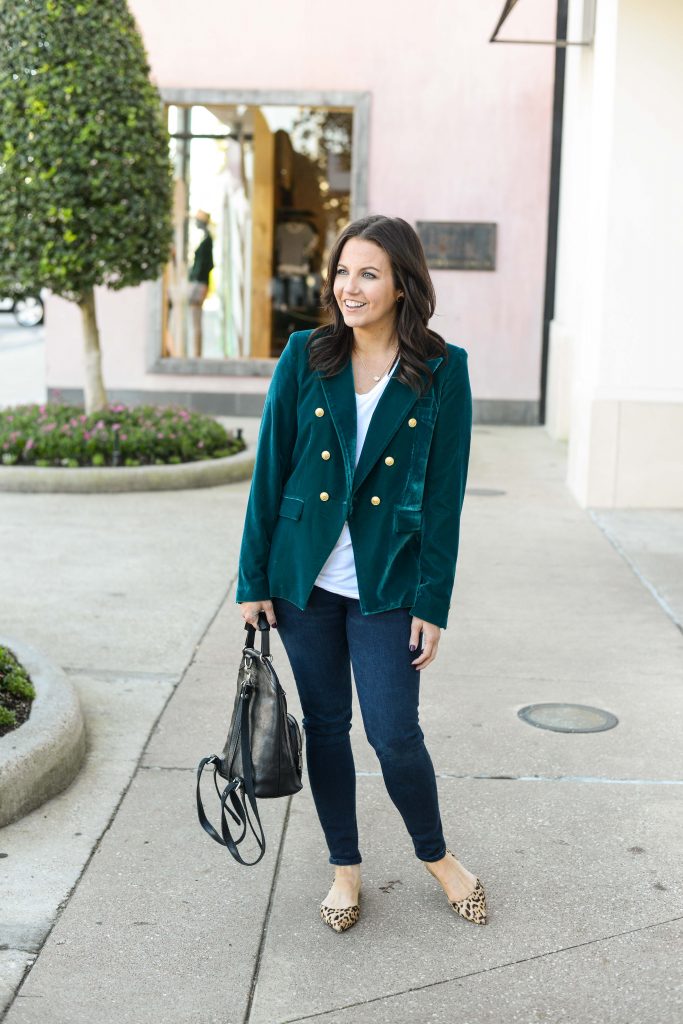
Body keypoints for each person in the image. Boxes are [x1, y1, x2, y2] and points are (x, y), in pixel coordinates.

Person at [236, 214, 486, 932]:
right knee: (324, 726)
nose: (350, 287)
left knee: (393, 734)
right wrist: (252, 578)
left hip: (387, 582)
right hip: (302, 582)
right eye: (342, 272)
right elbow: (269, 471)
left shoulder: (442, 369)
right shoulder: (304, 355)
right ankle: (344, 869)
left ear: (403, 284)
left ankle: (437, 858)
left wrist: (431, 601)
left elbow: (443, 498)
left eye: (368, 273)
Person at [188, 209, 214, 357]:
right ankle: (195, 351)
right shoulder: (206, 239)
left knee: (196, 318)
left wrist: (202, 284)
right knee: (194, 318)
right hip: (198, 282)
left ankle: (196, 352)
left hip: (199, 284)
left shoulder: (207, 240)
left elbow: (207, 264)